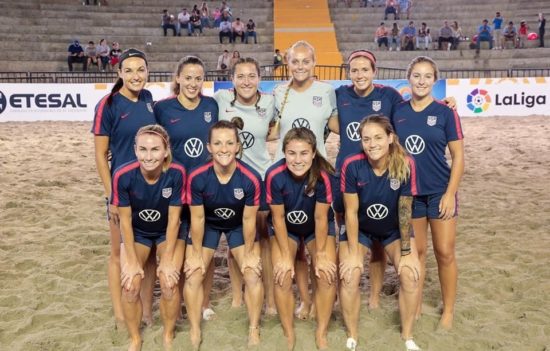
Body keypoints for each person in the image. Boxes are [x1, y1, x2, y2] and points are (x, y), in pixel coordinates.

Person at [392, 56, 464, 330]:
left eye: (427, 76)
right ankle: (417, 303)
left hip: (439, 193)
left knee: (444, 252)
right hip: (409, 196)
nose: (421, 81)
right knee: (417, 252)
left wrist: (449, 194)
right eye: (417, 76)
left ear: (435, 80)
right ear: (409, 78)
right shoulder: (397, 112)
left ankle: (448, 310)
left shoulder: (446, 113)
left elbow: (458, 157)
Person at [339, 114, 421, 351]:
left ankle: (407, 337)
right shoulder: (351, 164)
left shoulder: (406, 163)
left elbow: (406, 210)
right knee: (350, 274)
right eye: (366, 139)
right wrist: (354, 252)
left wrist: (406, 251)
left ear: (390, 138)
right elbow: (351, 213)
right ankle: (352, 336)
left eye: (377, 137)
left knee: (410, 274)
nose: (372, 144)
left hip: (393, 230)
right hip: (360, 229)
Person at [183, 119, 264, 349]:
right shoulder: (197, 176)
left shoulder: (251, 178)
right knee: (194, 273)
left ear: (238, 146)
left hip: (238, 225)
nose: (224, 148)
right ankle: (195, 328)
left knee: (252, 273)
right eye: (217, 143)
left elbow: (249, 219)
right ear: (208, 147)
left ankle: (254, 327)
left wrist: (248, 252)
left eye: (229, 143)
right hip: (208, 224)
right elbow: (197, 218)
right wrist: (197, 253)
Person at [273, 40, 338, 320]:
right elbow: (268, 128)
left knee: (316, 238)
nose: (300, 66)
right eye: (295, 61)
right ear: (287, 63)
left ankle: (320, 294)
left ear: (314, 62)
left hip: (316, 173)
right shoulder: (278, 92)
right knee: (294, 245)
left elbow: (341, 123)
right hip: (286, 172)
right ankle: (305, 300)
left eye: (305, 61)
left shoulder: (327, 91)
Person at [92, 49, 156, 330]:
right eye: (129, 70)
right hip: (123, 193)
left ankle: (145, 313)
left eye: (140, 70)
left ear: (147, 72)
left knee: (150, 252)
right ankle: (120, 314)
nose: (135, 76)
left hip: (151, 189)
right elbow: (100, 155)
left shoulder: (149, 99)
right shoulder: (108, 105)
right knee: (119, 253)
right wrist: (112, 197)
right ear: (119, 74)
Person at [154, 56, 219, 321]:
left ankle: (203, 302)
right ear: (178, 78)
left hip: (204, 186)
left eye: (198, 78)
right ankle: (178, 297)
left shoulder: (211, 106)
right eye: (188, 77)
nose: (193, 83)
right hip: (173, 187)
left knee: (204, 245)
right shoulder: (162, 108)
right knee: (177, 242)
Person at [214, 56, 279, 315]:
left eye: (251, 75)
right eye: (240, 76)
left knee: (264, 242)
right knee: (235, 240)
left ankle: (271, 300)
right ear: (231, 80)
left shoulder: (270, 102)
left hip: (261, 178)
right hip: (230, 179)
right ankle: (237, 296)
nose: (246, 81)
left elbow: (280, 128)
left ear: (259, 78)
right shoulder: (220, 101)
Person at [112, 125, 186, 351]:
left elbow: (174, 221)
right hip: (139, 233)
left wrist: (167, 258)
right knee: (130, 284)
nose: (148, 156)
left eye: (155, 150)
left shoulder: (176, 173)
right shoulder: (122, 175)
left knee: (168, 280)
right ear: (135, 150)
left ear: (165, 151)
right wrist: (132, 261)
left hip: (168, 232)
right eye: (142, 149)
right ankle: (135, 338)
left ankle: (168, 334)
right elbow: (124, 222)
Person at [266, 128, 337, 350]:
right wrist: (286, 256)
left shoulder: (324, 175)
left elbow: (320, 217)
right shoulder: (274, 175)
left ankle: (321, 332)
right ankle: (289, 333)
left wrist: (323, 254)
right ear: (284, 153)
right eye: (292, 153)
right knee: (283, 274)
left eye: (304, 153)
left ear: (314, 153)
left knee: (326, 274)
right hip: (286, 228)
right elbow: (277, 218)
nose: (298, 160)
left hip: (317, 226)